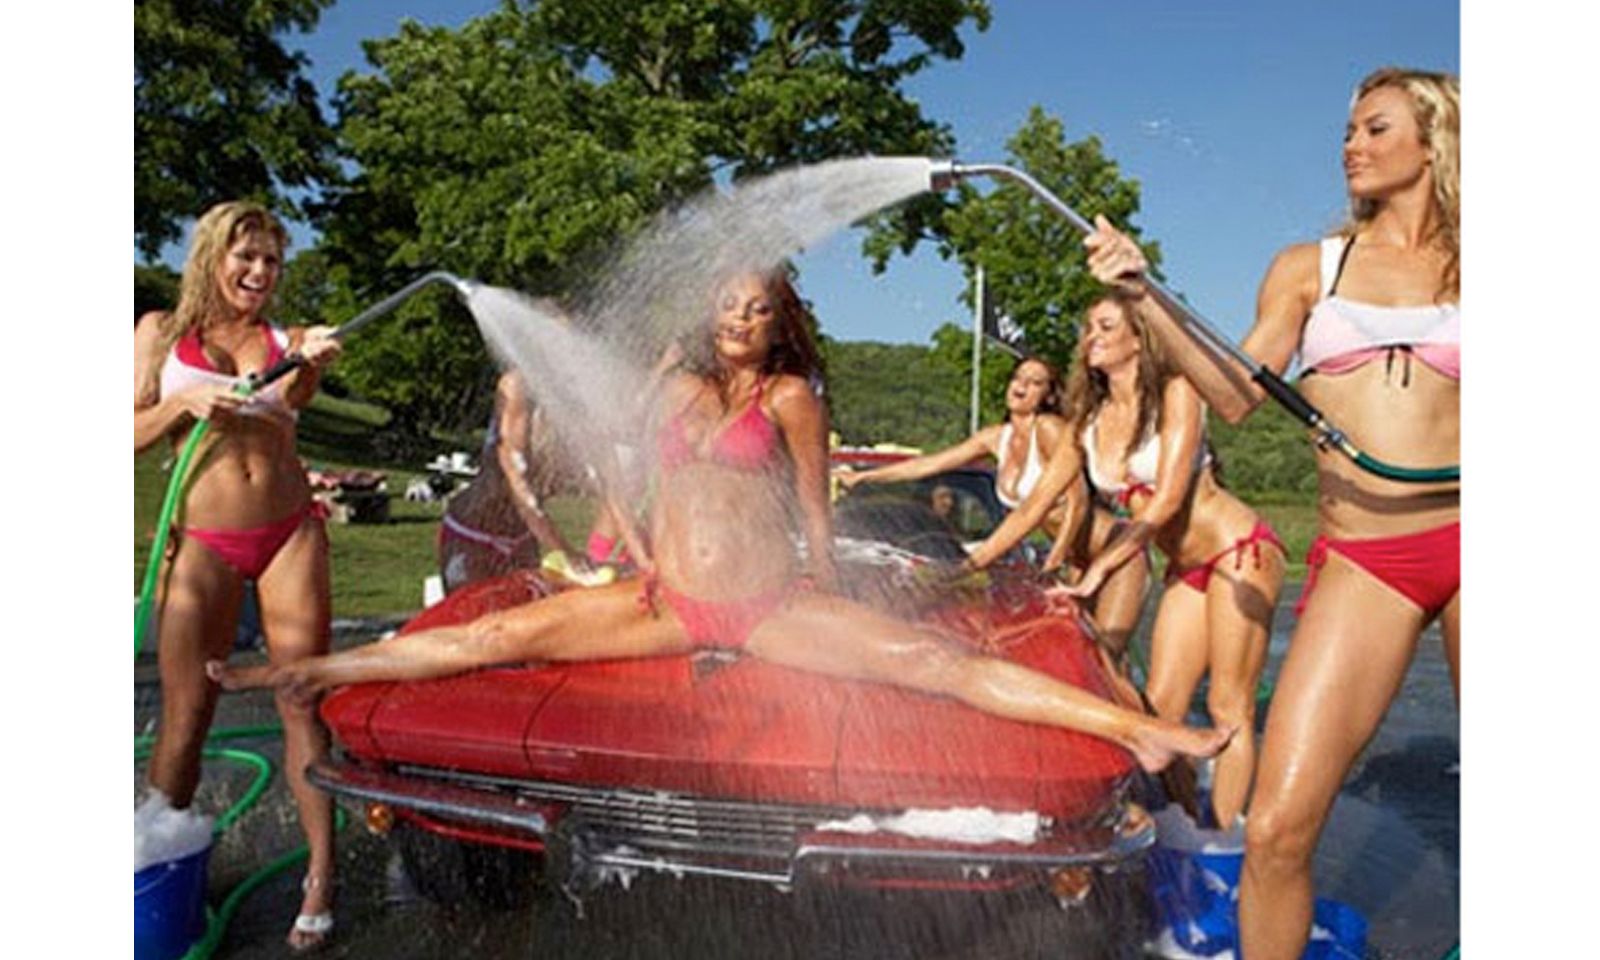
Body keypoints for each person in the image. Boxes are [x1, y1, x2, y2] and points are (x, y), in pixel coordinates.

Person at [213, 266, 1233, 775]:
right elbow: (627, 474)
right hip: (664, 599)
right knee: (490, 637)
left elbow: (810, 497)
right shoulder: (671, 385)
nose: (735, 320)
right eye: (724, 305)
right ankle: (292, 673)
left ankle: (1139, 733)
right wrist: (635, 548)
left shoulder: (791, 398)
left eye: (754, 309)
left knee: (936, 670)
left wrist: (827, 581)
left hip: (762, 602)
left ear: (776, 318)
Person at [1081, 67, 1459, 960]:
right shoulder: (1307, 270)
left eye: (1374, 129)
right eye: (1346, 132)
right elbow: (1232, 393)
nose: (1350, 147)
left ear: (1433, 140)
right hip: (1368, 558)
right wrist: (1145, 296)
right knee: (1281, 830)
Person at [963, 292, 1286, 829]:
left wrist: (1098, 569)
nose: (1092, 335)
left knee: (1231, 707)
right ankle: (1190, 828)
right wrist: (972, 563)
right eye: (1088, 326)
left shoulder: (1176, 392)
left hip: (1238, 549)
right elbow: (1036, 505)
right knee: (1158, 707)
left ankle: (1226, 846)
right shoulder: (1087, 419)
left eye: (1106, 325)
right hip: (1187, 568)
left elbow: (1164, 501)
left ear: (1139, 338)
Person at [133, 201, 343, 952]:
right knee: (189, 711)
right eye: (245, 256)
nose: (258, 273)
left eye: (271, 262)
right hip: (205, 543)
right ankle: (158, 868)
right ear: (212, 255)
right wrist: (184, 401)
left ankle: (321, 874)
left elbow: (297, 399)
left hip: (289, 532)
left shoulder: (284, 339)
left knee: (300, 700)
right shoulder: (160, 332)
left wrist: (312, 364)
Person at [835, 356, 1151, 656]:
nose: (1022, 385)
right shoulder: (996, 438)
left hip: (1115, 550)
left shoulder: (1050, 428)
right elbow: (930, 464)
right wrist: (864, 478)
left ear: (1046, 394)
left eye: (1035, 382)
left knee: (1107, 657)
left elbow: (1077, 501)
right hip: (1076, 557)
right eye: (1018, 377)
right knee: (1079, 651)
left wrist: (1056, 558)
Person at [437, 370, 582, 593]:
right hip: (473, 533)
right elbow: (519, 488)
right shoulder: (518, 386)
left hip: (521, 537)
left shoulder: (575, 396)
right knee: (467, 620)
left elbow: (614, 489)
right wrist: (568, 554)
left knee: (525, 619)